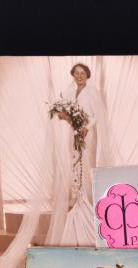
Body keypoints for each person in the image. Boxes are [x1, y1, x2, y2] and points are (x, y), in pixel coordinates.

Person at [50, 63, 110, 246]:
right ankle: (78, 200)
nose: (79, 76)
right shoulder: (69, 92)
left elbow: (98, 115)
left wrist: (86, 127)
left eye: (82, 73)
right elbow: (65, 113)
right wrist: (66, 117)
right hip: (74, 133)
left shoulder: (93, 92)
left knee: (87, 164)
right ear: (73, 75)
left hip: (88, 134)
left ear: (87, 75)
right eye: (76, 73)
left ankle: (88, 203)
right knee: (75, 164)